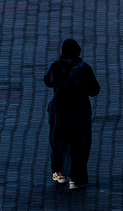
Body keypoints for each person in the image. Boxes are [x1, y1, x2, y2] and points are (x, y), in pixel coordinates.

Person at [43, 38, 101, 190]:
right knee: (79, 144)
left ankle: (60, 173)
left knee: (59, 142)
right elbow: (94, 90)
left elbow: (47, 81)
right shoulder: (84, 68)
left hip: (60, 112)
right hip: (79, 112)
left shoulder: (56, 66)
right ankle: (76, 178)